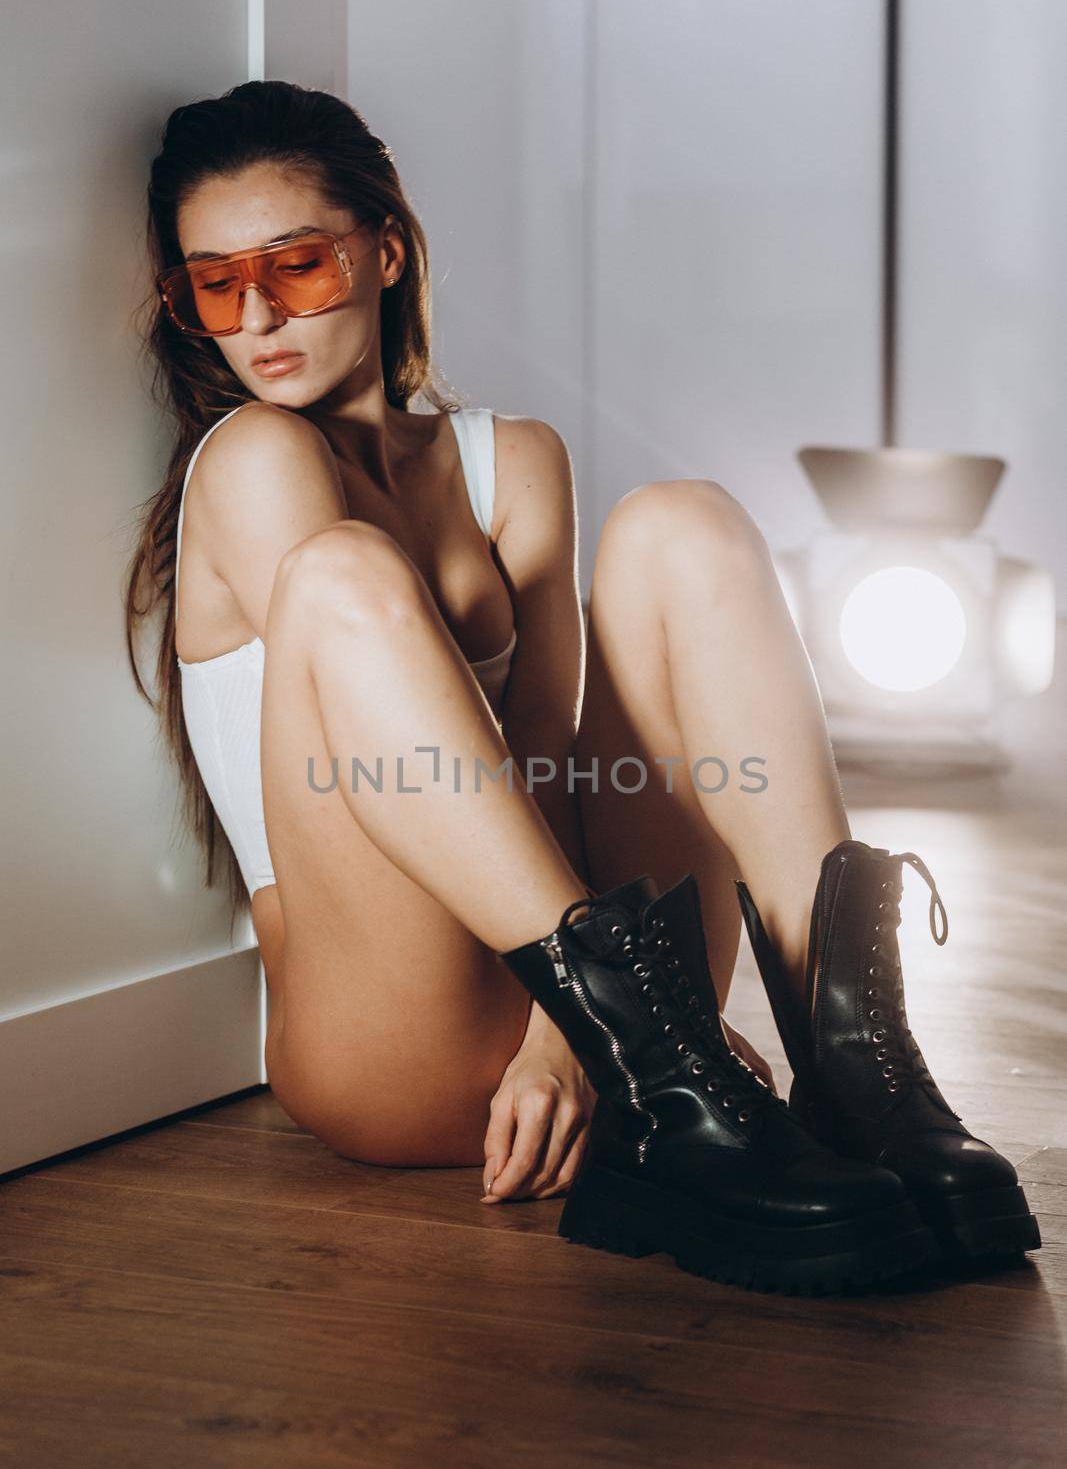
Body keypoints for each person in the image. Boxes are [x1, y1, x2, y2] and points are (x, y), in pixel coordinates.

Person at [125, 82, 1037, 1291]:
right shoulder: (250, 460)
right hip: (392, 1037)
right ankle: (661, 1076)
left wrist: (567, 1044)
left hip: (609, 1031)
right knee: (344, 571)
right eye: (215, 283)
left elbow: (553, 766)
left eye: (294, 265)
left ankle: (858, 1066)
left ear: (385, 249)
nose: (256, 315)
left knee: (682, 523)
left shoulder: (512, 462)